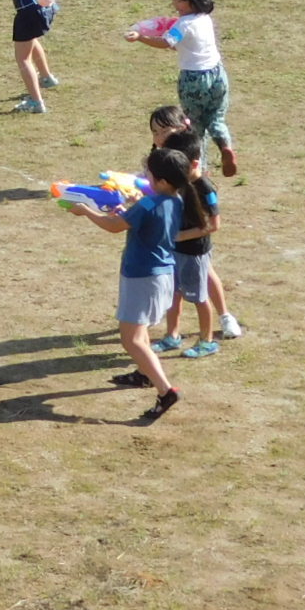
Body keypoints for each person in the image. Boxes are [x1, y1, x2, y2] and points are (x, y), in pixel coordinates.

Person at [59, 144, 192, 423]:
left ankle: (166, 391)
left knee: (130, 339)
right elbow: (139, 218)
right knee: (140, 331)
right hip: (163, 274)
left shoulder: (146, 204)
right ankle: (144, 374)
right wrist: (124, 208)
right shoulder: (176, 200)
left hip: (142, 276)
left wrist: (86, 211)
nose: (146, 177)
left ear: (163, 180)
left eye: (150, 174)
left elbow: (114, 226)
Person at [131, 0, 238, 177]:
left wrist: (140, 38)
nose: (175, 4)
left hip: (193, 80)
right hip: (217, 74)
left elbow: (166, 42)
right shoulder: (205, 20)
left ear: (191, 1)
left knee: (196, 126)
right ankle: (225, 146)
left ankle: (200, 169)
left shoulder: (183, 24)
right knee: (216, 118)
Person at [151, 124, 237, 358]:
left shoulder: (205, 189)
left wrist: (181, 236)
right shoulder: (179, 182)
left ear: (194, 163)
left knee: (199, 298)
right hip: (175, 251)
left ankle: (206, 341)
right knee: (173, 294)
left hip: (195, 253)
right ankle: (172, 336)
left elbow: (213, 225)